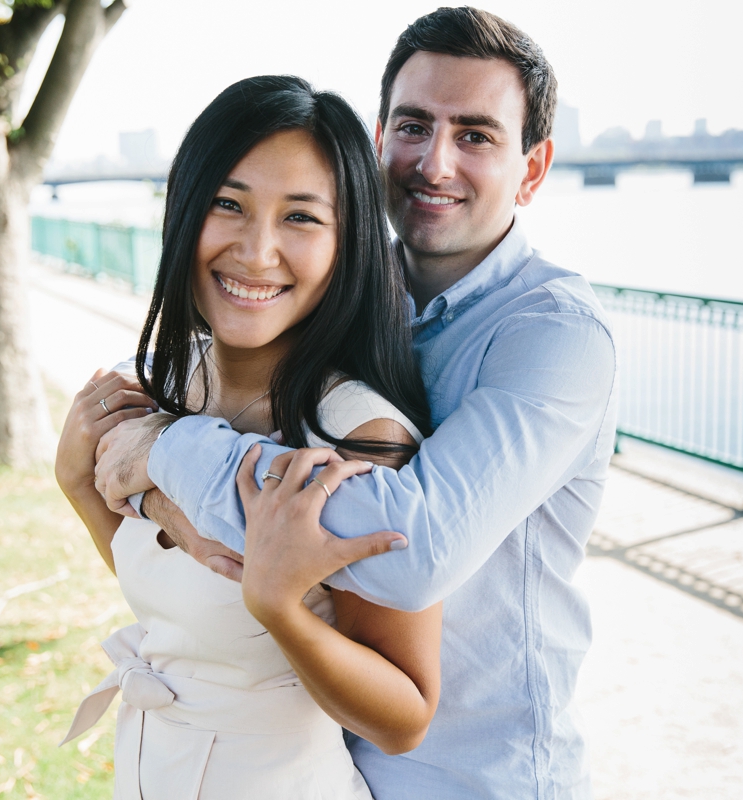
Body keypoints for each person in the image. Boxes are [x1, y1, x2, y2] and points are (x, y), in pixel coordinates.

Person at [95, 7, 619, 799]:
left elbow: (409, 547)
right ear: (378, 143)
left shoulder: (555, 337)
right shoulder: (340, 312)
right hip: (328, 758)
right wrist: (156, 499)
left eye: (476, 135)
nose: (433, 162)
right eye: (413, 126)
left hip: (476, 776)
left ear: (533, 169)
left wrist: (166, 450)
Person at [54, 75, 444, 800]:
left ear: (346, 244)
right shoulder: (163, 386)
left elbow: (404, 718)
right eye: (229, 204)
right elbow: (183, 609)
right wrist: (83, 486)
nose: (257, 251)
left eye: (300, 218)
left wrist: (282, 609)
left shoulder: (359, 437)